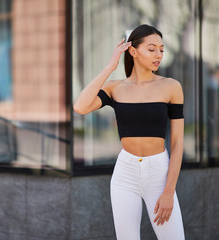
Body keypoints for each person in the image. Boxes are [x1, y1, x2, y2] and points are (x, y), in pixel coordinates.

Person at [73, 24, 185, 240]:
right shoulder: (116, 87)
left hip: (158, 174)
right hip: (125, 173)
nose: (158, 55)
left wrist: (169, 191)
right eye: (151, 49)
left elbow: (178, 143)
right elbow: (80, 106)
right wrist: (109, 67)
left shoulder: (171, 87)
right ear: (133, 51)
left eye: (161, 49)